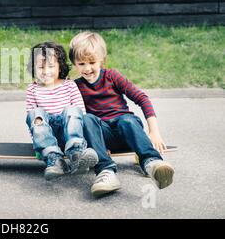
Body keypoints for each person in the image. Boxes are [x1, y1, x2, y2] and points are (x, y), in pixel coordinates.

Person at [68, 31, 175, 197]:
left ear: (101, 60)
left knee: (126, 120)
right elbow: (72, 118)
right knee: (86, 119)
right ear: (74, 63)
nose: (87, 68)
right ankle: (106, 173)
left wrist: (154, 132)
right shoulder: (75, 87)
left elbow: (142, 98)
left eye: (92, 62)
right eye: (81, 64)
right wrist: (92, 143)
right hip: (104, 137)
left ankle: (152, 163)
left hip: (127, 131)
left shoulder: (112, 76)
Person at [26, 42, 98, 181]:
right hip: (47, 136)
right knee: (35, 114)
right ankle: (54, 159)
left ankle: (76, 153)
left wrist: (86, 139)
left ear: (60, 67)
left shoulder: (69, 85)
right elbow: (32, 121)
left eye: (51, 66)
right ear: (34, 68)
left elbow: (81, 114)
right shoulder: (32, 89)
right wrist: (38, 144)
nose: (46, 71)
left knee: (72, 110)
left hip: (69, 135)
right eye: (41, 67)